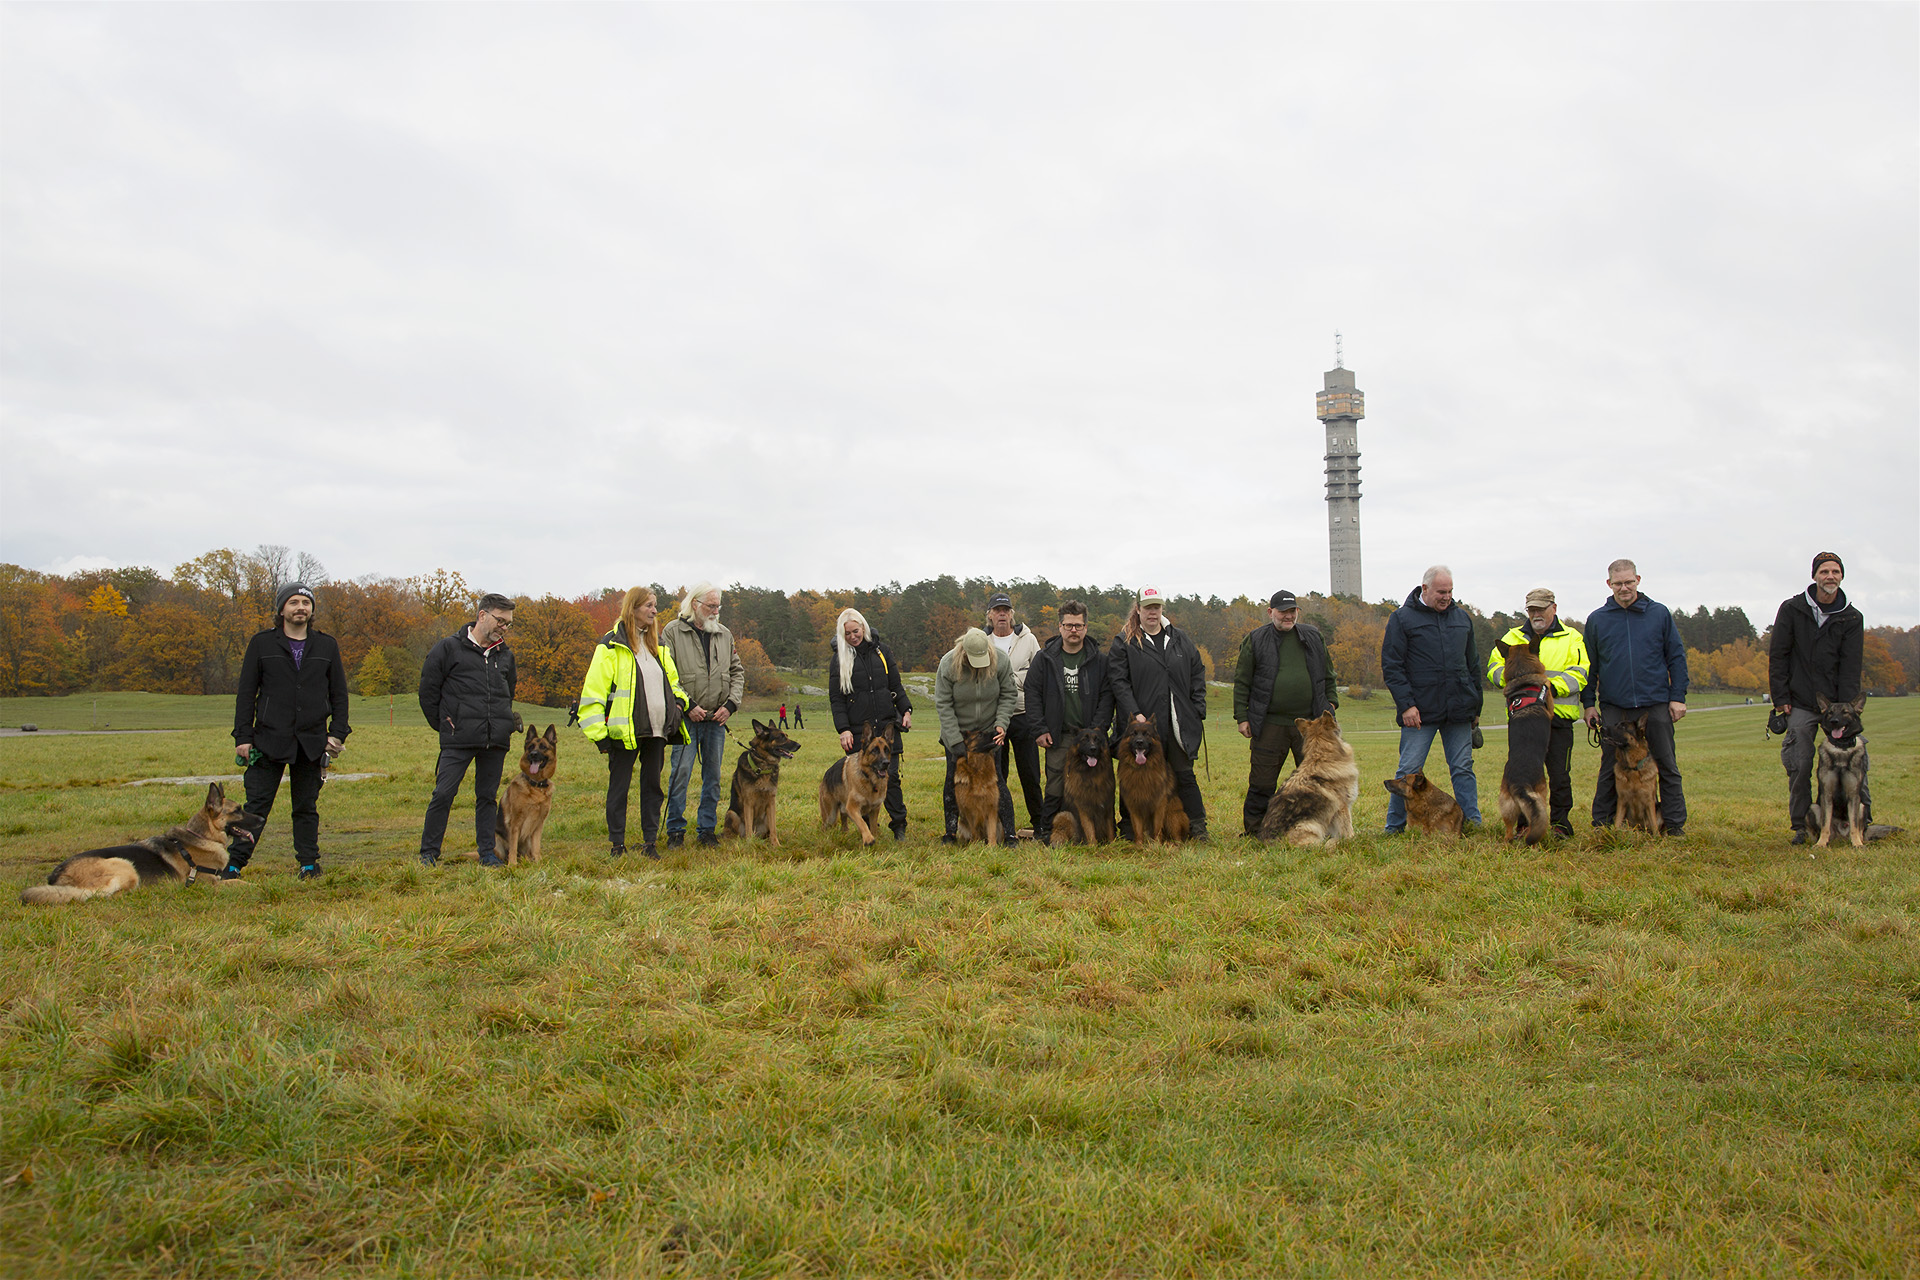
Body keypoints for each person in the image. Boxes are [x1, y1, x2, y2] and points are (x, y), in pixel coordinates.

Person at [228, 582, 349, 881]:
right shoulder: (262, 644)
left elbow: (339, 694)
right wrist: (242, 737)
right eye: (294, 602)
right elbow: (246, 693)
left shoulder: (326, 645)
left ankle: (309, 864)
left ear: (312, 610)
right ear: (282, 609)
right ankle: (233, 865)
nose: (300, 608)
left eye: (306, 603)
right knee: (256, 807)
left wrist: (337, 734)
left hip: (311, 742)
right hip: (268, 739)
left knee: (306, 807)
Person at [577, 586, 690, 859]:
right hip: (622, 734)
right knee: (619, 789)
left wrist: (678, 704)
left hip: (657, 730)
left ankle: (649, 843)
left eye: (655, 605)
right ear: (633, 609)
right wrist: (600, 737)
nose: (654, 611)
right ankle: (618, 845)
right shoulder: (610, 646)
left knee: (652, 788)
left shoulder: (658, 646)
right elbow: (592, 694)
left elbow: (674, 684)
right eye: (649, 606)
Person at [1768, 551, 1871, 844]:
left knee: (1858, 760)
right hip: (1800, 700)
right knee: (1800, 763)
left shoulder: (1852, 617)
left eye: (1835, 572)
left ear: (1841, 576)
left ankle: (1861, 823)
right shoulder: (1792, 609)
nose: (1830, 577)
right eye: (1824, 571)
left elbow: (1851, 665)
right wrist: (1781, 697)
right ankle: (1802, 826)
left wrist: (1848, 710)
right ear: (1814, 576)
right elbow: (1779, 655)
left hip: (1838, 705)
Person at [1580, 559, 1688, 835]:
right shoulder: (1598, 620)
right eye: (1618, 583)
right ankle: (1602, 823)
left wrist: (1677, 697)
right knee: (1609, 764)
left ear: (1638, 580)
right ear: (1609, 584)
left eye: (1629, 582)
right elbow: (1589, 666)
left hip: (1655, 702)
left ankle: (1674, 825)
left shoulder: (1659, 614)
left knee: (1666, 763)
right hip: (1615, 705)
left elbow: (1676, 656)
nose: (1624, 587)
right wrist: (1589, 704)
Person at [417, 593, 520, 867]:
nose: (504, 627)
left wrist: (504, 723)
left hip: (495, 740)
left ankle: (487, 852)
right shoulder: (448, 649)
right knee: (443, 794)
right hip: (457, 739)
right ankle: (429, 853)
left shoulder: (505, 655)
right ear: (482, 615)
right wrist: (446, 725)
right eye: (500, 620)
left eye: (508, 623)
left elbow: (508, 693)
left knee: (487, 798)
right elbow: (428, 692)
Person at [1380, 566, 1483, 832]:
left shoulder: (1462, 619)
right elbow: (1392, 666)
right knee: (1409, 770)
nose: (1446, 597)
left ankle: (1471, 824)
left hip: (1459, 710)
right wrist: (1406, 705)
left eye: (1450, 591)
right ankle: (1394, 828)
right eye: (1441, 592)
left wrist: (1475, 706)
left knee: (1462, 767)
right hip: (1419, 712)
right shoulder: (1402, 619)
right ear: (1424, 589)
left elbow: (1473, 666)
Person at [1107, 587, 1210, 841]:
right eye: (1147, 607)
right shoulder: (1125, 641)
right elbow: (1119, 681)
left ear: (1162, 609)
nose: (1152, 612)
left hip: (1177, 722)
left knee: (1184, 774)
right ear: (1138, 609)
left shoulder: (1179, 639)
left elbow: (1197, 672)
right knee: (1134, 776)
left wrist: (1198, 708)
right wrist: (1135, 714)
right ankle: (1131, 827)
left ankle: (1197, 827)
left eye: (1157, 607)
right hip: (1141, 726)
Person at [1486, 588, 1590, 837]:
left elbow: (1579, 674)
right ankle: (1524, 825)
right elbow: (1493, 668)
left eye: (1541, 609)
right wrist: (1513, 683)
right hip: (1522, 718)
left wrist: (1544, 688)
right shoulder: (1511, 637)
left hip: (1559, 717)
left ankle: (1560, 825)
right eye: (1531, 609)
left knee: (1559, 775)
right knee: (1523, 771)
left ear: (1553, 608)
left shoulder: (1572, 638)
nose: (1536, 614)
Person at [1233, 589, 1338, 836]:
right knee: (1262, 782)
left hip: (1311, 725)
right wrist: (1242, 716)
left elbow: (1328, 674)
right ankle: (1257, 831)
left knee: (1317, 781)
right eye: (1283, 612)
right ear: (1271, 612)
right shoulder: (1256, 639)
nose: (1288, 616)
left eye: (1292, 611)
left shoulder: (1313, 636)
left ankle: (1317, 827)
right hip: (1270, 723)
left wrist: (1331, 703)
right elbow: (1242, 681)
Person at [1023, 599, 1114, 843]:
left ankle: (1099, 833)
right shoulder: (1045, 659)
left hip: (1091, 736)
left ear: (1086, 627)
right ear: (1060, 626)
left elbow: (1108, 696)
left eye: (1079, 625)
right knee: (1054, 785)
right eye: (1069, 625)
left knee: (1096, 785)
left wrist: (1097, 728)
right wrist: (1040, 729)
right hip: (1058, 734)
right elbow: (1031, 694)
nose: (1074, 630)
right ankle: (1047, 833)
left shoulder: (1099, 660)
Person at [662, 583, 745, 850]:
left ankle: (706, 831)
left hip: (716, 720)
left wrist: (730, 705)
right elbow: (667, 675)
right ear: (695, 604)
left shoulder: (724, 634)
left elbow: (737, 672)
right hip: (687, 718)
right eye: (711, 606)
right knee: (681, 773)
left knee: (713, 776)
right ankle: (675, 830)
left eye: (718, 606)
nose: (716, 611)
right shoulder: (672, 632)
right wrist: (688, 706)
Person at [827, 608, 914, 840]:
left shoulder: (882, 652)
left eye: (856, 631)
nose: (853, 636)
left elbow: (896, 685)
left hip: (887, 727)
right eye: (847, 634)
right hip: (859, 731)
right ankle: (866, 831)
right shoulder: (839, 660)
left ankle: (898, 826)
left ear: (863, 627)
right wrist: (843, 729)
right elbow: (837, 699)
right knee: (862, 782)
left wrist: (906, 709)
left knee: (891, 778)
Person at [936, 627, 1018, 844]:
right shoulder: (947, 664)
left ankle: (1009, 834)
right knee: (952, 781)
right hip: (958, 733)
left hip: (988, 735)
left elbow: (1009, 694)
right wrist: (955, 741)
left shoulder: (1001, 660)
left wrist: (1001, 724)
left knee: (997, 780)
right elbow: (943, 704)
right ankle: (951, 833)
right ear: (963, 652)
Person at [986, 592, 1044, 835]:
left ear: (1012, 614)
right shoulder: (982, 641)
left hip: (1023, 714)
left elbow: (1040, 674)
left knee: (1030, 772)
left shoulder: (1028, 640)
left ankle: (1040, 823)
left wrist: (1010, 679)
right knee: (999, 774)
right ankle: (999, 825)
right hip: (994, 716)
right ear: (989, 615)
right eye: (997, 610)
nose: (1002, 614)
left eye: (1006, 610)